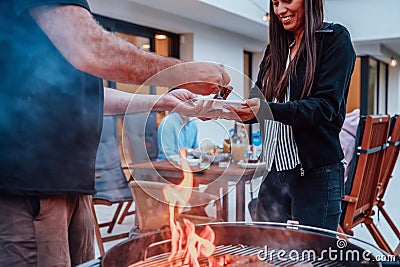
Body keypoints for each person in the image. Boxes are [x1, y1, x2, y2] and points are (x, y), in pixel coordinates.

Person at [0, 1, 234, 266]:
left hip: (73, 187)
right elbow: (89, 48)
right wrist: (180, 73)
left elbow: (92, 97)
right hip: (29, 189)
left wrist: (165, 102)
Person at [225, 0, 356, 231]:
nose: (280, 10)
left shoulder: (334, 39)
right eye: (275, 3)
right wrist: (219, 109)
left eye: (287, 0)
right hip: (274, 172)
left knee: (315, 257)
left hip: (317, 174)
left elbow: (325, 107)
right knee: (267, 253)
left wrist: (265, 109)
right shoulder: (274, 51)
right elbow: (257, 107)